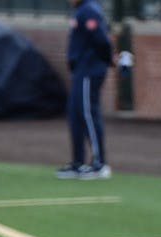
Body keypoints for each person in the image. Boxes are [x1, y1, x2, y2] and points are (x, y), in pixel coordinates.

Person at [55, 0, 114, 180]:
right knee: (75, 114)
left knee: (88, 114)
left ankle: (99, 163)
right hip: (80, 70)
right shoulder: (80, 10)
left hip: (90, 69)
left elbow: (102, 40)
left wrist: (109, 59)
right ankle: (78, 162)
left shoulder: (89, 10)